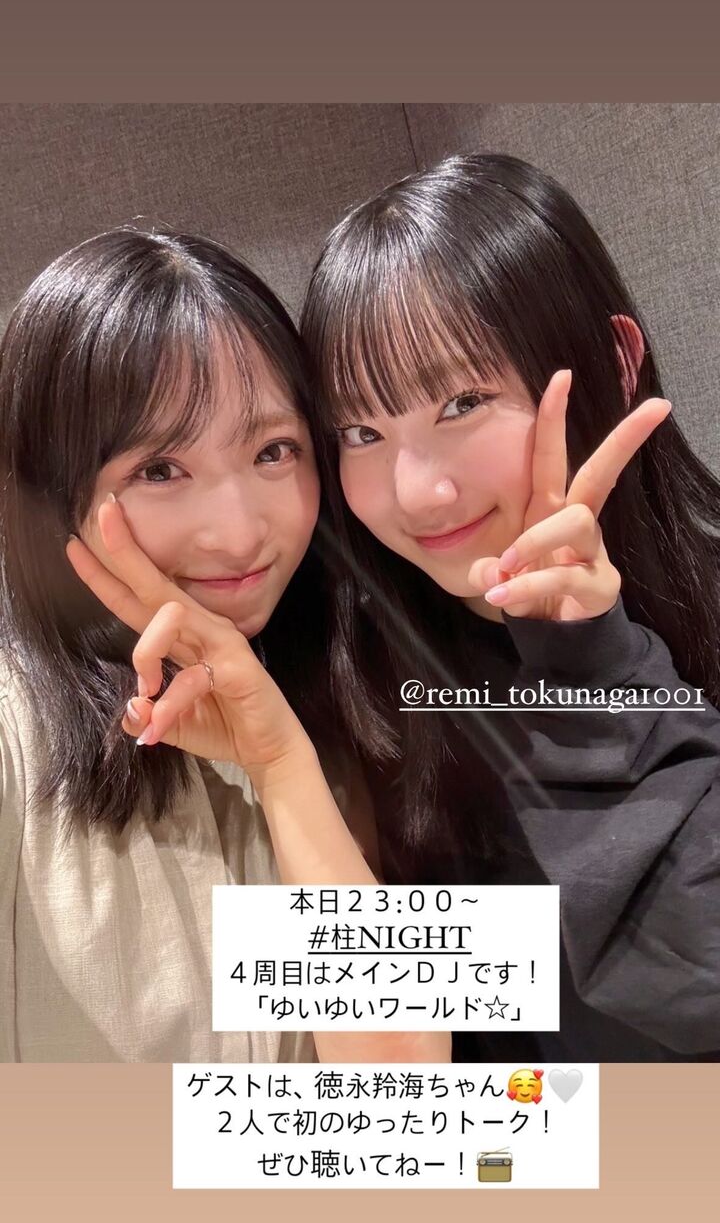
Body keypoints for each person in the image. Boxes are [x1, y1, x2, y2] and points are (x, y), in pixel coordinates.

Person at [296, 152, 720, 1062]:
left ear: (617, 359)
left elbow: (699, 988)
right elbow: (391, 1086)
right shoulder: (360, 681)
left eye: (462, 400)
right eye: (362, 431)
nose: (417, 494)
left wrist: (594, 667)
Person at [0, 225, 447, 1065]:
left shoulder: (351, 714)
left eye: (274, 451)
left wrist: (282, 766)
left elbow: (404, 1098)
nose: (240, 535)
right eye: (158, 470)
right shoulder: (14, 735)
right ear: (51, 492)